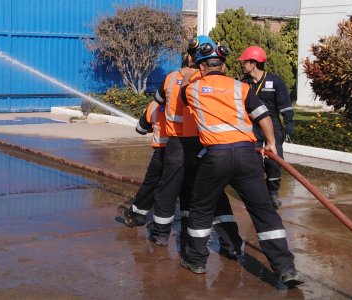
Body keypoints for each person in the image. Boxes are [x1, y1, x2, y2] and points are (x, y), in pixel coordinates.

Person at [179, 41, 303, 288]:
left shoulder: (194, 89)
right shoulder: (241, 87)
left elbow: (183, 94)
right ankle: (286, 269)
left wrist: (188, 75)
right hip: (247, 156)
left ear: (203, 67)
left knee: (202, 208)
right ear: (223, 66)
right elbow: (263, 115)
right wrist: (271, 143)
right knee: (264, 212)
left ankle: (196, 261)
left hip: (216, 157)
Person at [147, 35, 243, 259]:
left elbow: (158, 101)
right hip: (204, 143)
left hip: (177, 144)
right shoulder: (211, 79)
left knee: (167, 190)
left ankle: (160, 235)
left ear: (189, 56)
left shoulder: (172, 78)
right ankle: (231, 243)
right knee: (214, 194)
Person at [238, 46, 295, 209]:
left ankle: (272, 193)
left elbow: (285, 106)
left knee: (274, 163)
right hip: (252, 127)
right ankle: (257, 194)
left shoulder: (275, 81)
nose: (242, 64)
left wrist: (289, 125)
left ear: (253, 63)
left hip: (273, 127)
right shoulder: (244, 84)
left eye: (245, 62)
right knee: (253, 162)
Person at [117, 99, 168, 227]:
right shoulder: (186, 101)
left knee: (151, 183)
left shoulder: (154, 105)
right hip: (186, 150)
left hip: (162, 151)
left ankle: (136, 215)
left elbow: (141, 129)